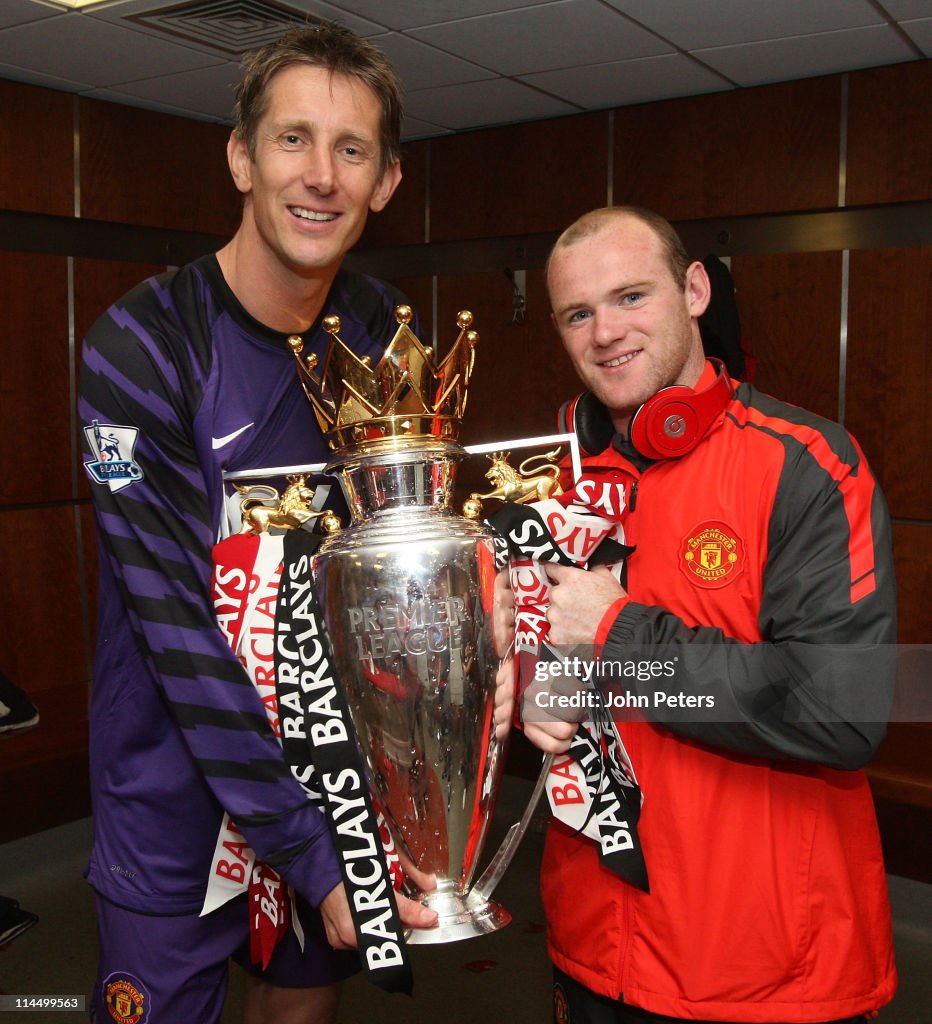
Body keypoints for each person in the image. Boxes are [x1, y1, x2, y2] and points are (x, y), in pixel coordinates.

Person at [78, 22, 437, 1024]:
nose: (320, 176)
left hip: (331, 781)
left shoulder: (379, 333)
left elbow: (399, 584)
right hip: (171, 803)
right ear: (240, 156)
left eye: (351, 149)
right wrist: (310, 846)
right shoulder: (139, 344)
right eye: (291, 139)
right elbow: (177, 632)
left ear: (385, 182)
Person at [499, 206, 897, 1024]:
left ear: (694, 290)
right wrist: (527, 691)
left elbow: (837, 711)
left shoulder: (806, 465)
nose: (605, 331)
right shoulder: (552, 490)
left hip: (764, 975)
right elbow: (552, 691)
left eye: (631, 297)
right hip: (594, 946)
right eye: (579, 313)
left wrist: (617, 635)